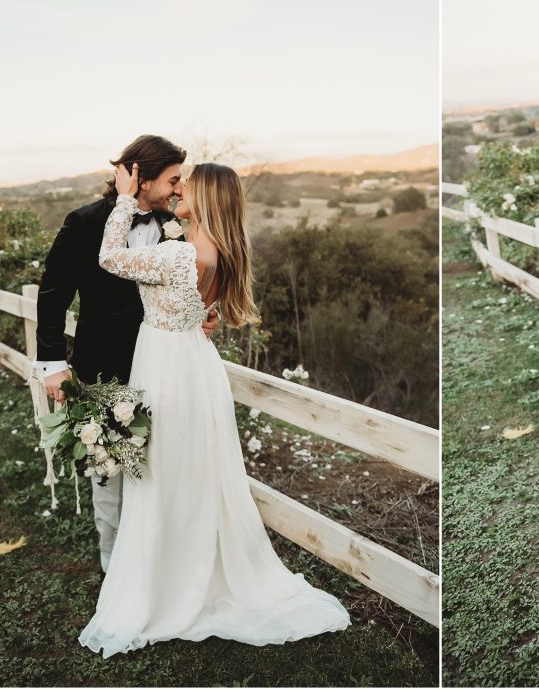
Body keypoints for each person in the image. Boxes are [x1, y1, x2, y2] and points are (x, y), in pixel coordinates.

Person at [78, 162, 349, 658]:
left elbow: (109, 257)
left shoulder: (181, 255)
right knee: (194, 473)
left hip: (168, 371)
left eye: (187, 186)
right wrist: (205, 315)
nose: (179, 190)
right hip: (194, 366)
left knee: (164, 473)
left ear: (203, 200)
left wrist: (123, 197)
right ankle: (189, 565)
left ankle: (171, 583)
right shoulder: (220, 252)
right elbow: (204, 311)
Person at [35, 134, 218, 572]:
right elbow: (52, 296)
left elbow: (181, 290)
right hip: (106, 365)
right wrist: (53, 365)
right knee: (109, 461)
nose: (178, 190)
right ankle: (113, 561)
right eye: (173, 180)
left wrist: (198, 316)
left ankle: (161, 553)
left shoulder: (175, 227)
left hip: (165, 364)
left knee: (162, 458)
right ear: (141, 177)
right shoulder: (83, 222)